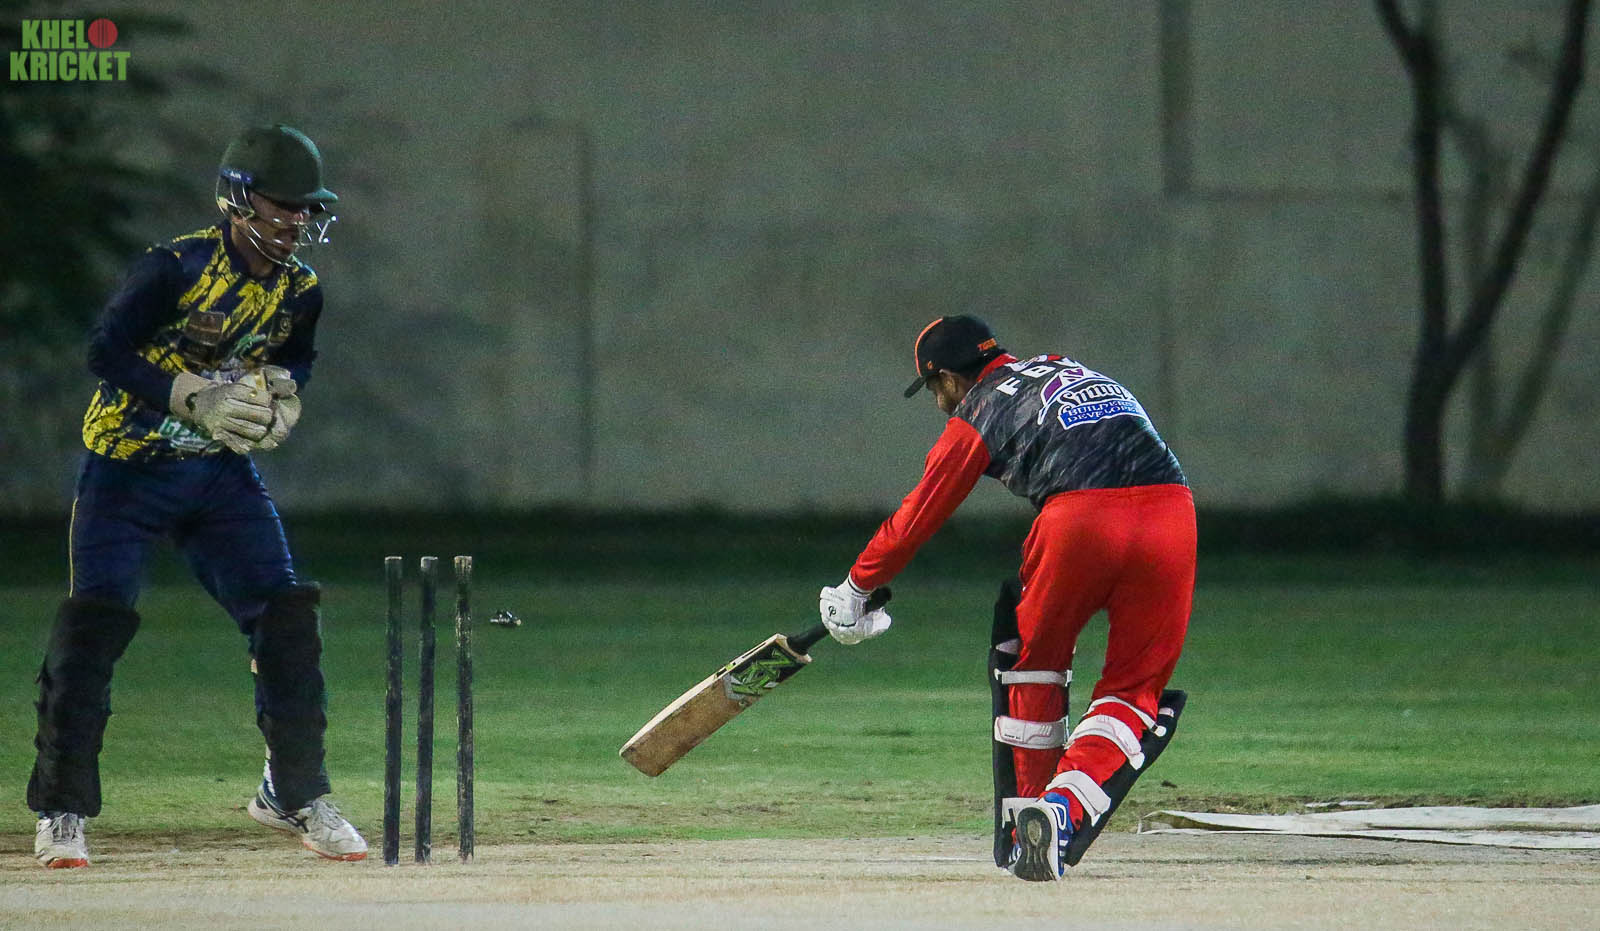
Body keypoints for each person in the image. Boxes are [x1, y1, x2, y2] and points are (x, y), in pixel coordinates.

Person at [29, 124, 367, 867]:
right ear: (239, 200)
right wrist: (189, 396)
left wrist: (284, 393)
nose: (298, 220)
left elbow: (296, 358)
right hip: (126, 466)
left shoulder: (300, 289)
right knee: (93, 628)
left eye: (306, 208)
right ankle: (61, 807)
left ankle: (292, 793)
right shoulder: (175, 267)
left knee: (285, 615)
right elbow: (105, 350)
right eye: (284, 205)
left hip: (217, 474)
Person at [817, 315, 1195, 881]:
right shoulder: (1065, 367)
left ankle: (1028, 820)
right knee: (1133, 692)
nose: (939, 403)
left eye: (935, 390)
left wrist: (856, 587)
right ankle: (1059, 813)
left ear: (948, 378)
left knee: (1035, 669)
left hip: (1077, 522)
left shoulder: (980, 408)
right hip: (1172, 513)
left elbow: (918, 515)